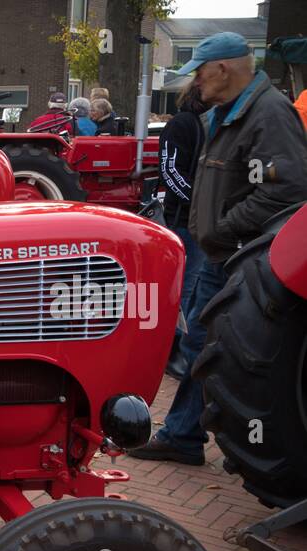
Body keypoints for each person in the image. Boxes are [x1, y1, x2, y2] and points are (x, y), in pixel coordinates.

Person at [132, 32, 307, 466]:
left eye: (200, 72)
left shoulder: (267, 114)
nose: (196, 83)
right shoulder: (227, 114)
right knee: (205, 348)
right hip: (220, 255)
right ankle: (201, 436)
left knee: (217, 351)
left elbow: (287, 187)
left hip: (238, 258)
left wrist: (224, 230)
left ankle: (204, 437)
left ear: (223, 69)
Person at [156, 81, 207, 379]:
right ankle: (175, 351)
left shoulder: (213, 125)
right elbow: (170, 171)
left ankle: (183, 349)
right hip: (185, 223)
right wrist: (200, 204)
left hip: (203, 223)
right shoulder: (183, 125)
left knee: (195, 288)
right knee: (184, 289)